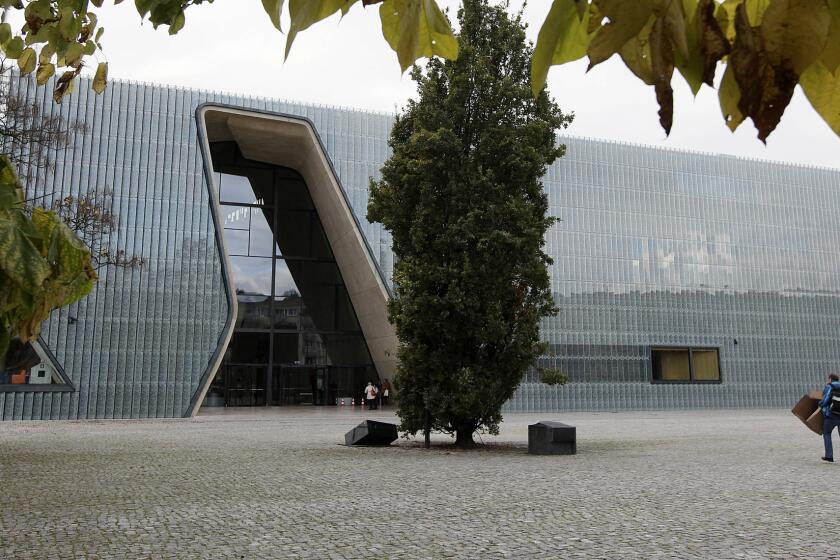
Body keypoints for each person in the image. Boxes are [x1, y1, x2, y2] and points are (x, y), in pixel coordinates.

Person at [819, 373, 840, 462]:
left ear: (830, 379)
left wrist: (820, 404)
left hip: (832, 415)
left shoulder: (830, 386)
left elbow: (826, 399)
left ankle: (829, 456)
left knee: (826, 433)